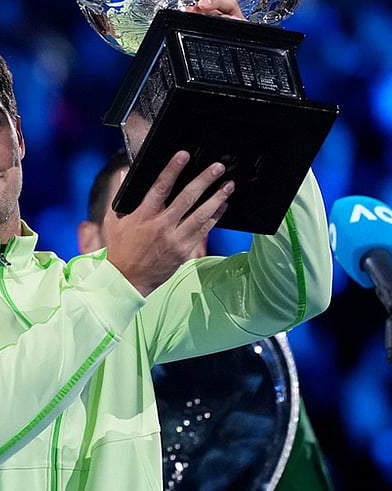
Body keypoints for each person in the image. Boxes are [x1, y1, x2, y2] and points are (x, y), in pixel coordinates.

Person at [0, 0, 333, 490]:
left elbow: (290, 292)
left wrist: (254, 88)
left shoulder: (96, 288)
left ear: (19, 138)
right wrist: (122, 281)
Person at [78, 149, 335, 491]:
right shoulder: (52, 343)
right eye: (136, 219)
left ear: (200, 243)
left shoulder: (259, 377)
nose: (157, 236)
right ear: (88, 242)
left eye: (179, 217)